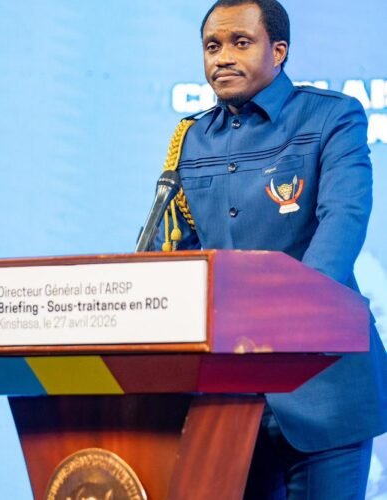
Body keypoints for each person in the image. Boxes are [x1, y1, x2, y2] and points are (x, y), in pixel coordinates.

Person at [154, 0, 387, 498]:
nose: (222, 57)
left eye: (241, 42)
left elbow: (342, 222)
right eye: (212, 46)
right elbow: (171, 253)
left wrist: (280, 327)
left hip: (322, 382)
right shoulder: (190, 140)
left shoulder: (332, 116)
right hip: (227, 396)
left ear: (278, 51)